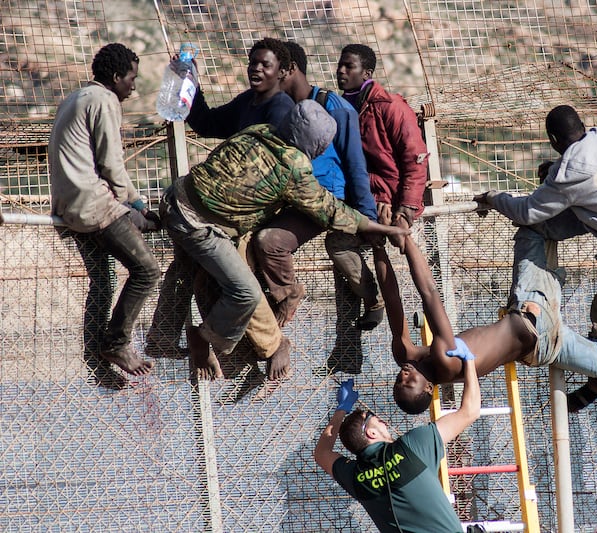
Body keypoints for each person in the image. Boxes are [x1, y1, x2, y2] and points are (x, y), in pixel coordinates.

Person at [381, 229, 597, 464]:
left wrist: (378, 246)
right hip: (534, 313)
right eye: (408, 382)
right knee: (532, 227)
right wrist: (407, 240)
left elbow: (392, 297)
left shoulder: (407, 355)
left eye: (399, 379)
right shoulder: (443, 358)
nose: (404, 374)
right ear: (428, 388)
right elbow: (428, 293)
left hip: (541, 349)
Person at [159, 100, 409, 380]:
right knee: (244, 292)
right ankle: (205, 338)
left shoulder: (260, 131)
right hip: (198, 225)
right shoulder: (293, 164)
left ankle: (164, 339)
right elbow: (328, 208)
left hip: (176, 198)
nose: (324, 149)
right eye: (322, 143)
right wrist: (381, 228)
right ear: (313, 142)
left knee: (204, 276)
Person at [473, 104, 597, 412]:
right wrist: (553, 172)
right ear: (583, 124)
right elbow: (582, 176)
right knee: (545, 225)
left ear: (553, 138)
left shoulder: (567, 175)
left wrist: (494, 199)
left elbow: (525, 210)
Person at [145, 38, 295, 367]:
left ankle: (266, 346)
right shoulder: (250, 102)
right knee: (190, 263)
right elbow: (208, 123)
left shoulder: (279, 110)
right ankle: (164, 337)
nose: (256, 68)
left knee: (240, 281)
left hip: (244, 210)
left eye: (264, 64)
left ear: (282, 72)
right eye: (252, 62)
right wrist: (191, 83)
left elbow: (275, 169)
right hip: (218, 207)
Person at [49, 42, 161, 377]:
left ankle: (97, 361)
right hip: (94, 206)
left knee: (103, 281)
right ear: (115, 77)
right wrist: (138, 204)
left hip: (68, 208)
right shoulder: (104, 100)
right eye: (131, 78)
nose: (133, 86)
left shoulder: (76, 97)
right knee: (147, 271)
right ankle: (117, 343)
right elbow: (112, 165)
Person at [251, 40, 379, 333]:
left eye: (275, 71)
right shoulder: (277, 108)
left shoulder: (336, 108)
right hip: (288, 197)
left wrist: (366, 218)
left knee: (273, 242)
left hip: (322, 199)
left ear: (289, 71)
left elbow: (354, 163)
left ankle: (371, 302)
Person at [317, 43, 430, 374]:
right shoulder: (336, 108)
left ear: (367, 73)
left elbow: (415, 159)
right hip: (358, 202)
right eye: (340, 65)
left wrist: (404, 210)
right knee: (341, 245)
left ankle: (408, 342)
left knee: (394, 257)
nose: (341, 71)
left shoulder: (389, 107)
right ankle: (372, 307)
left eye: (348, 67)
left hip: (387, 203)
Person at [314, 308, 480, 532]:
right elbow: (469, 411)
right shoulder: (413, 447)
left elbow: (322, 454)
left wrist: (343, 409)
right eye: (373, 419)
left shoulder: (356, 478)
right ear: (370, 434)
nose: (381, 420)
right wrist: (469, 360)